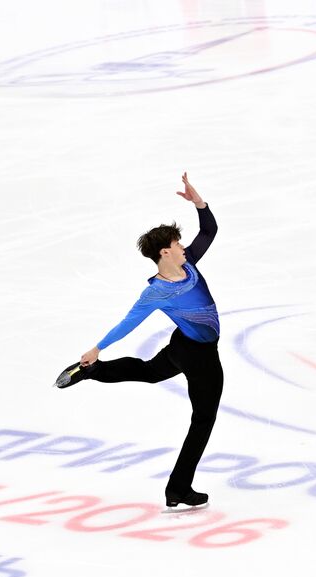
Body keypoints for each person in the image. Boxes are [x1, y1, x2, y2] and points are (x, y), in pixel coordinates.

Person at [55, 173, 223, 509]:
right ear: (165, 252)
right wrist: (98, 346)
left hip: (182, 345)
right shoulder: (157, 292)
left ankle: (92, 372)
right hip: (200, 356)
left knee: (149, 370)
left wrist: (198, 203)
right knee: (203, 419)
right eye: (176, 244)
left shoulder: (188, 264)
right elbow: (127, 323)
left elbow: (209, 231)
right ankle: (179, 488)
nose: (183, 247)